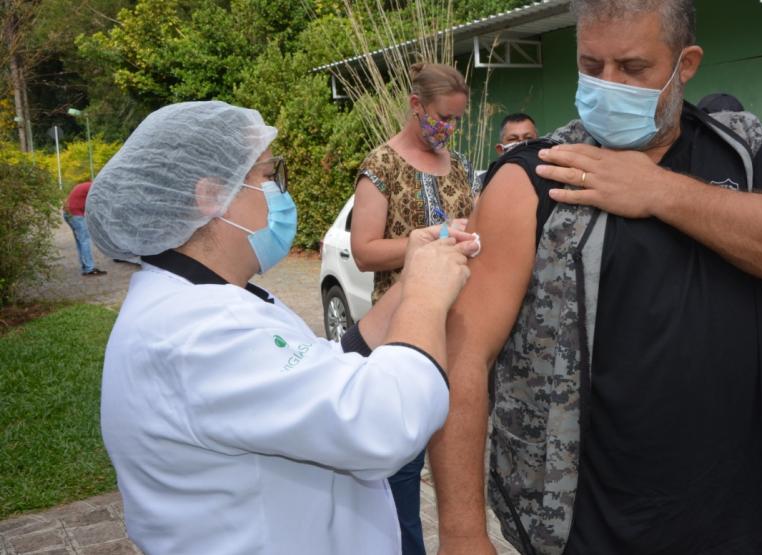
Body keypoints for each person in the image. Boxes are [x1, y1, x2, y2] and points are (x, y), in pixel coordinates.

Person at [429, 1, 762, 554]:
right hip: (592, 532)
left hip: (751, 524)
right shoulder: (535, 178)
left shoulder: (741, 152)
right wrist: (462, 532)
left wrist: (659, 191)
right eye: (591, 65)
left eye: (632, 68)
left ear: (686, 64)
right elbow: (463, 353)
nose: (608, 84)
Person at [85, 101, 478, 555]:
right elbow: (388, 422)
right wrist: (426, 298)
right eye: (268, 176)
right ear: (211, 196)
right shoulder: (199, 333)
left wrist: (411, 275)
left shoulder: (209, 300)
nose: (279, 193)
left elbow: (329, 367)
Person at [350, 62, 481, 555]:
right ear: (415, 105)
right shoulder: (381, 166)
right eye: (442, 117)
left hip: (459, 333)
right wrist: (429, 241)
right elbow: (364, 251)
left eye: (456, 120)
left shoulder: (459, 164)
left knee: (457, 461)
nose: (449, 128)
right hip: (402, 334)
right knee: (403, 470)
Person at [63, 180, 106, 276]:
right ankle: (89, 269)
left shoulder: (83, 185)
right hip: (76, 215)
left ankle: (86, 267)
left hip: (68, 214)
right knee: (85, 241)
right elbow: (97, 204)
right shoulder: (93, 187)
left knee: (81, 241)